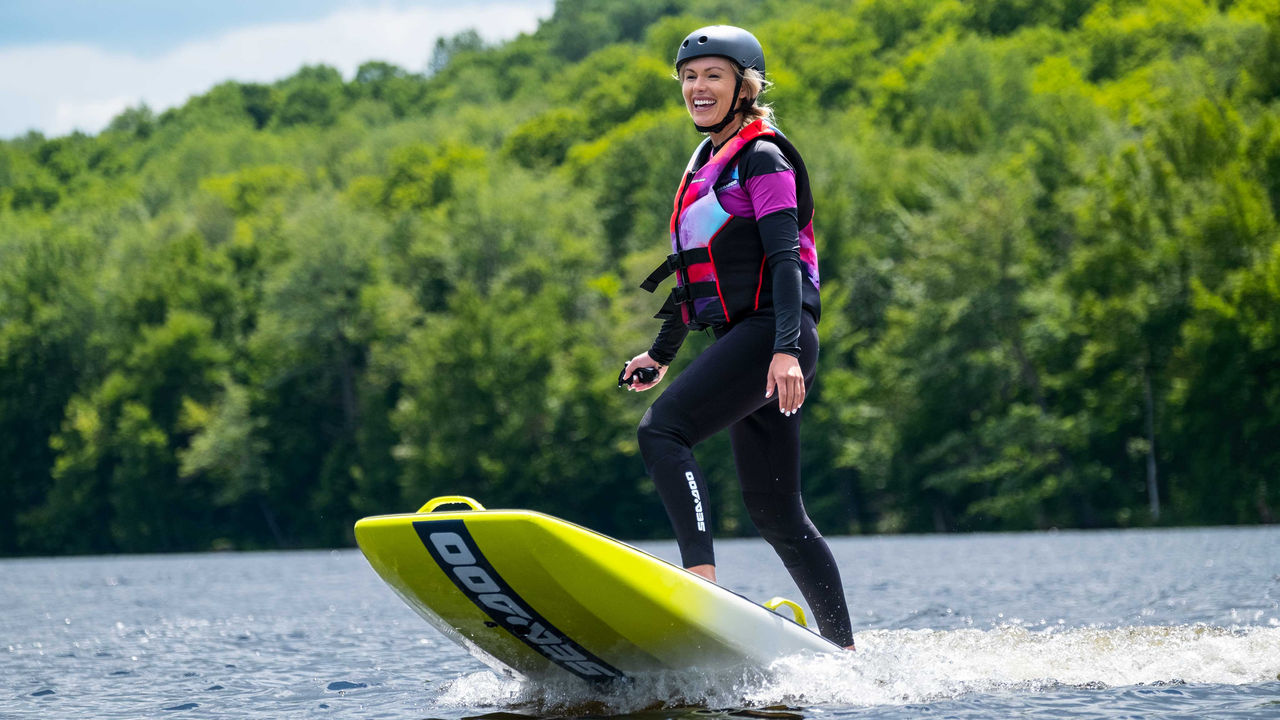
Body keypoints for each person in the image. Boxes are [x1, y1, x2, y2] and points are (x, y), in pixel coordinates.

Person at [621, 25, 855, 650]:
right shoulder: (705, 164)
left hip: (774, 336)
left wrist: (784, 349)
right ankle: (844, 653)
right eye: (689, 77)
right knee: (778, 512)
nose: (698, 87)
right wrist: (662, 352)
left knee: (662, 431)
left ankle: (699, 580)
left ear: (744, 87)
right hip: (745, 336)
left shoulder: (763, 158)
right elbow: (700, 270)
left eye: (713, 76)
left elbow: (784, 261)